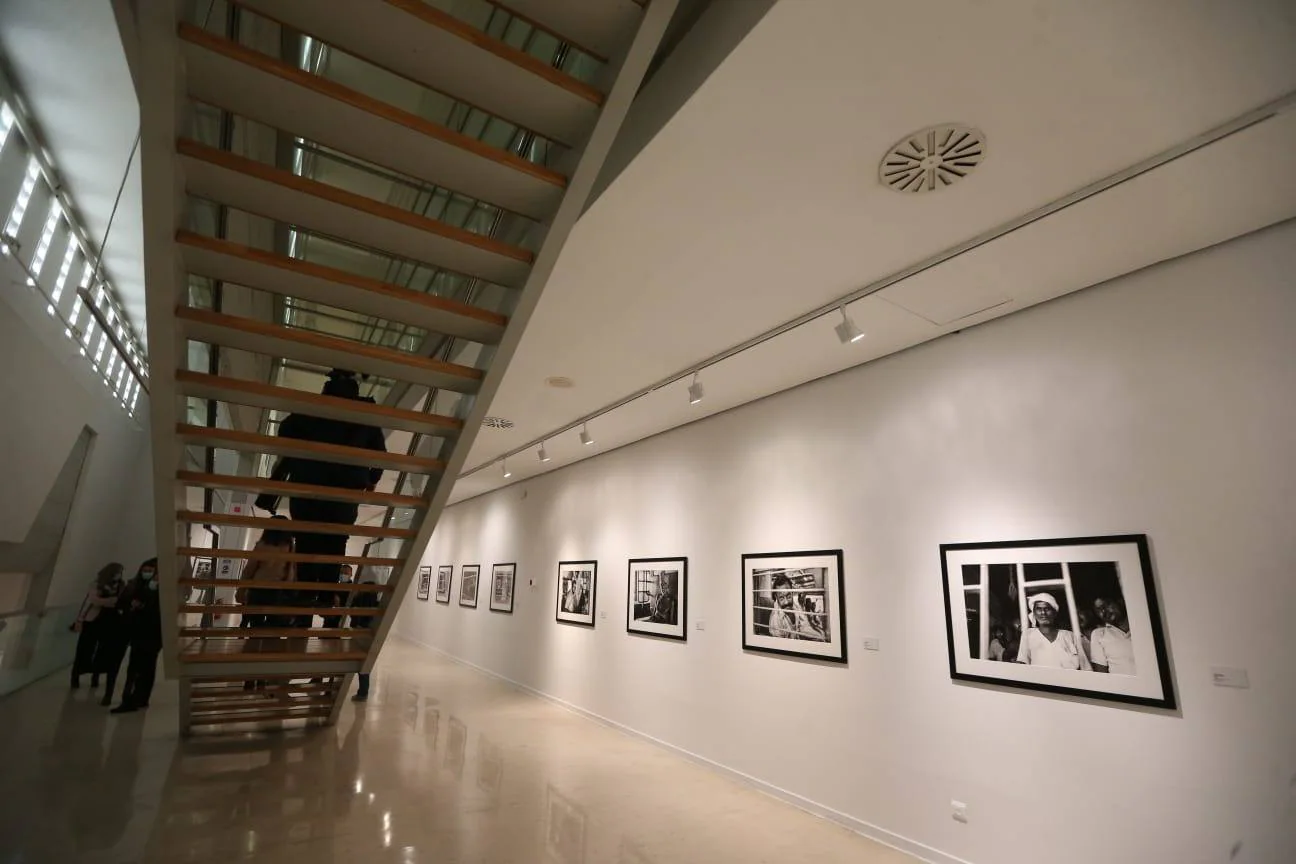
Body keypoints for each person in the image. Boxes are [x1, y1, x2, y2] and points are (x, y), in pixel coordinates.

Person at [254, 370, 386, 622]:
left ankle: (303, 603)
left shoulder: (311, 410)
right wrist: (371, 480)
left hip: (307, 487)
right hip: (344, 493)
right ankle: (326, 599)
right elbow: (380, 454)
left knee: (306, 543)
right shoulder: (365, 417)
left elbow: (286, 430)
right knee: (335, 545)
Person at [237, 519, 296, 690]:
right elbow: (291, 572)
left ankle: (249, 678)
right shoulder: (290, 547)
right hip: (278, 594)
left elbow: (250, 570)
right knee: (272, 637)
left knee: (255, 635)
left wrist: (241, 591)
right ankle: (263, 677)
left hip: (258, 592)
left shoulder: (261, 545)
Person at [111, 558, 162, 714]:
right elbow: (123, 602)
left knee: (146, 667)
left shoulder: (161, 589)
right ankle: (131, 699)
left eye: (151, 571)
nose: (148, 574)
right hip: (138, 631)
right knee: (136, 668)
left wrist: (151, 592)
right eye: (145, 570)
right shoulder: (136, 585)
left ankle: (138, 698)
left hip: (153, 632)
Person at [70, 563, 124, 689]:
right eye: (117, 572)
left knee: (103, 650)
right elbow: (94, 600)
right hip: (92, 620)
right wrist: (111, 601)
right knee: (85, 648)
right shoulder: (96, 584)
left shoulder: (121, 585)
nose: (119, 575)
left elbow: (120, 600)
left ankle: (96, 675)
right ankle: (76, 675)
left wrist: (107, 602)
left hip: (110, 622)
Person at [1015, 592, 1091, 670]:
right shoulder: (1028, 635)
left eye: (1047, 609)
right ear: (1034, 613)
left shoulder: (1070, 636)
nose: (1043, 613)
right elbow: (1022, 663)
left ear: (1054, 613)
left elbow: (1086, 668)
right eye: (1039, 609)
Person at [348, 577, 381, 702]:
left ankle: (362, 692)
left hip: (357, 632)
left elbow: (352, 613)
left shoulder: (357, 600)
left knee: (358, 662)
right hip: (368, 634)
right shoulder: (376, 605)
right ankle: (363, 691)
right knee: (364, 664)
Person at [1090, 596, 1136, 675]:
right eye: (1098, 610)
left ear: (1120, 602)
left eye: (1106, 605)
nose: (1103, 611)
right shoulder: (1099, 634)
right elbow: (1102, 675)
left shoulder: (1142, 625)